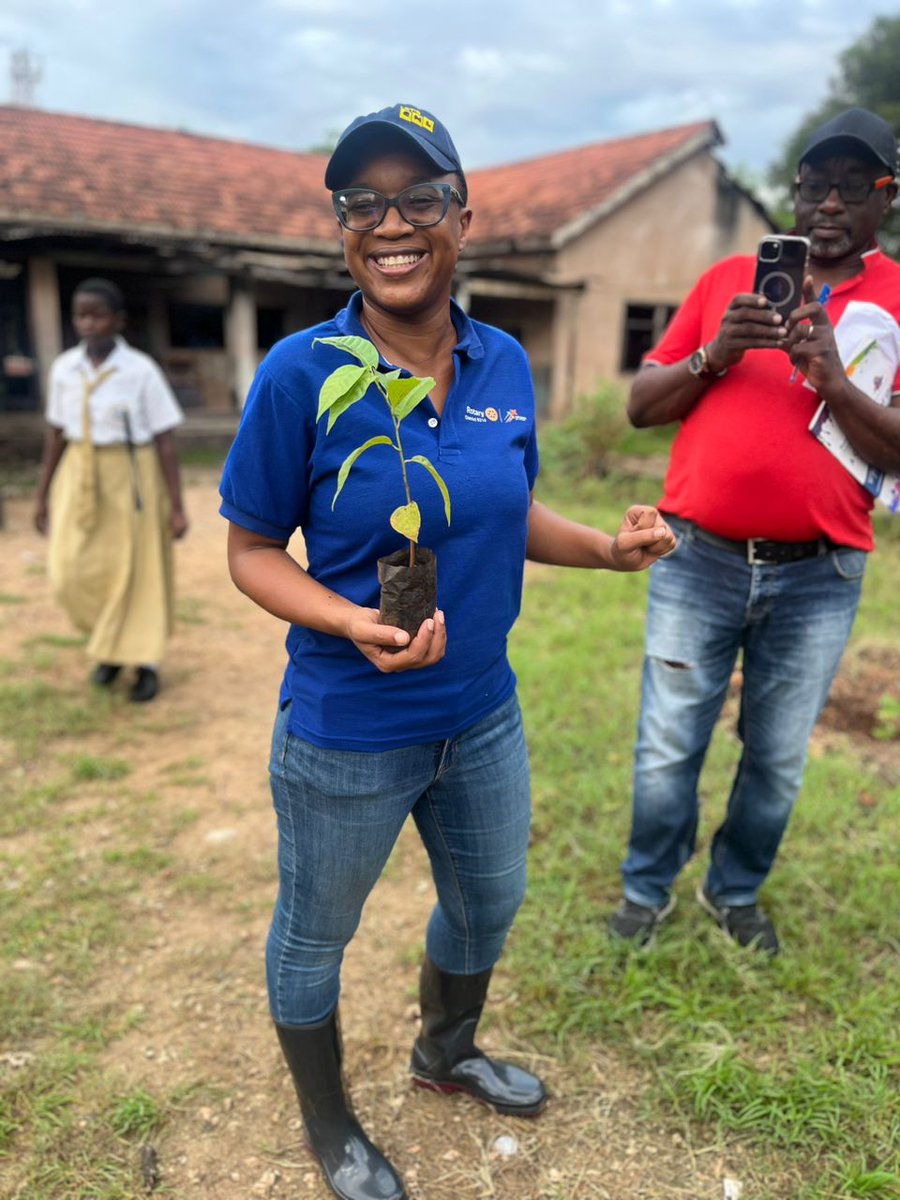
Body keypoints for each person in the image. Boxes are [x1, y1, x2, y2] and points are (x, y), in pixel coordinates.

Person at [219, 102, 675, 1200]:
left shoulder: (504, 362)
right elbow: (249, 550)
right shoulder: (303, 371)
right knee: (313, 935)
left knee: (488, 901)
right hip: (347, 727)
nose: (391, 222)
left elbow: (508, 510)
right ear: (343, 230)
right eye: (363, 202)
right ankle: (329, 1123)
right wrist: (342, 621)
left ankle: (445, 1050)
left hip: (481, 714)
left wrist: (609, 554)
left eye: (418, 198)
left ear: (462, 219)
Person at [608, 108, 900, 957]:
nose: (831, 204)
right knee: (667, 743)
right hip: (697, 557)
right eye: (815, 186)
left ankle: (732, 891)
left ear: (888, 195)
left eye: (855, 186)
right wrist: (713, 357)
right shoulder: (727, 280)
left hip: (821, 575)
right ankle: (645, 890)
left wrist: (834, 383)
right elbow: (638, 407)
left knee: (775, 757)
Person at [34, 278, 188, 703]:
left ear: (117, 321)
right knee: (71, 569)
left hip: (131, 473)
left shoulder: (140, 370)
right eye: (80, 315)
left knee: (137, 568)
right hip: (78, 469)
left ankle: (143, 662)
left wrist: (176, 507)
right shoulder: (64, 368)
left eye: (97, 315)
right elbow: (54, 435)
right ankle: (109, 648)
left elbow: (165, 441)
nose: (88, 323)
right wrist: (42, 494)